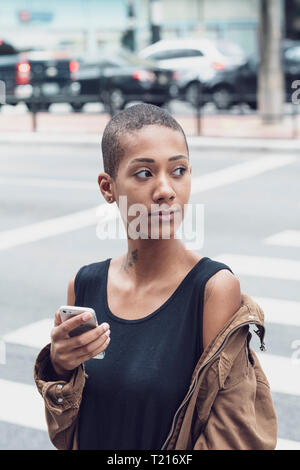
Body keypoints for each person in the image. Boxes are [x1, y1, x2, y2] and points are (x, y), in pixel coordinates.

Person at [34, 103, 277, 450]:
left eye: (178, 170)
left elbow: (234, 435)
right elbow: (67, 433)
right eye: (145, 173)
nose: (166, 189)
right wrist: (58, 368)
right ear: (107, 187)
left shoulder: (212, 289)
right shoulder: (84, 284)